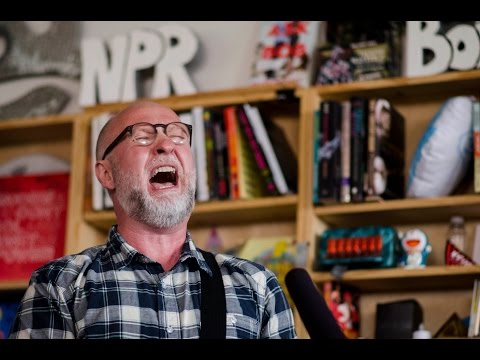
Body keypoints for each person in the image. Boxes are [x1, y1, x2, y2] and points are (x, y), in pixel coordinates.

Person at [9, 101, 297, 339]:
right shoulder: (60, 285)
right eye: (143, 136)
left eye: (178, 135)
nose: (165, 145)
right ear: (106, 174)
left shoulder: (257, 286)